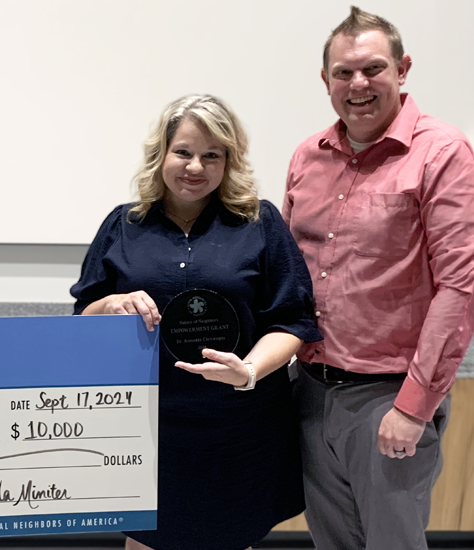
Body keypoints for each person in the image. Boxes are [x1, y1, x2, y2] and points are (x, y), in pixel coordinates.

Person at [72, 94, 321, 550]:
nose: (196, 166)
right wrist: (112, 305)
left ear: (229, 161)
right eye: (183, 152)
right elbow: (82, 315)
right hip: (148, 428)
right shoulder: (123, 225)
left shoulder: (258, 222)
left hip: (240, 428)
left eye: (213, 155)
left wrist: (247, 372)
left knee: (230, 536)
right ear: (161, 154)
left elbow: (292, 321)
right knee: (148, 537)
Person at [283, 7, 474, 549]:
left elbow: (459, 288)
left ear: (402, 69)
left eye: (372, 69)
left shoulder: (441, 152)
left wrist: (415, 407)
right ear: (326, 81)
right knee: (332, 543)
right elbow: (288, 272)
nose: (358, 84)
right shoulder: (307, 157)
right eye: (343, 73)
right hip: (313, 393)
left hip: (388, 400)